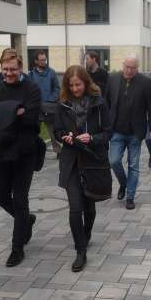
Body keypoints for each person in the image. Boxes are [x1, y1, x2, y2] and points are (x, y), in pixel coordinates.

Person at [0, 48, 42, 267]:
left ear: (20, 68)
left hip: (25, 152)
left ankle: (17, 249)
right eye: (5, 69)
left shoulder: (32, 88)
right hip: (3, 150)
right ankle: (26, 219)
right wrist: (15, 110)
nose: (8, 73)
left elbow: (31, 119)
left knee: (20, 198)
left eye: (13, 69)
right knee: (1, 197)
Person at [55, 65, 111, 272]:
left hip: (92, 161)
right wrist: (64, 137)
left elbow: (108, 133)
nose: (75, 89)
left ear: (86, 82)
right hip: (71, 161)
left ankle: (86, 233)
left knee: (89, 206)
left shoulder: (99, 103)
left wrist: (92, 138)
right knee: (75, 208)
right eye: (71, 85)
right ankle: (80, 251)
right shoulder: (62, 104)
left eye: (78, 84)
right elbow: (57, 130)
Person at [105, 55, 151, 209]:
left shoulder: (145, 82)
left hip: (136, 131)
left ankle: (130, 197)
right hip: (116, 131)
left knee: (133, 165)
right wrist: (106, 123)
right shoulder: (113, 79)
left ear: (137, 68)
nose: (129, 70)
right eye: (127, 67)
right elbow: (106, 102)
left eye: (133, 68)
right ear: (123, 65)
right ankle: (123, 183)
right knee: (114, 161)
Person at [29, 50, 61, 156]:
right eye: (42, 60)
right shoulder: (31, 74)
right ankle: (34, 150)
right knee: (33, 131)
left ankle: (58, 151)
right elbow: (29, 90)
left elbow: (57, 88)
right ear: (36, 61)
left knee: (53, 131)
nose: (44, 62)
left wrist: (51, 99)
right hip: (36, 108)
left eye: (45, 59)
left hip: (50, 107)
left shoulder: (51, 72)